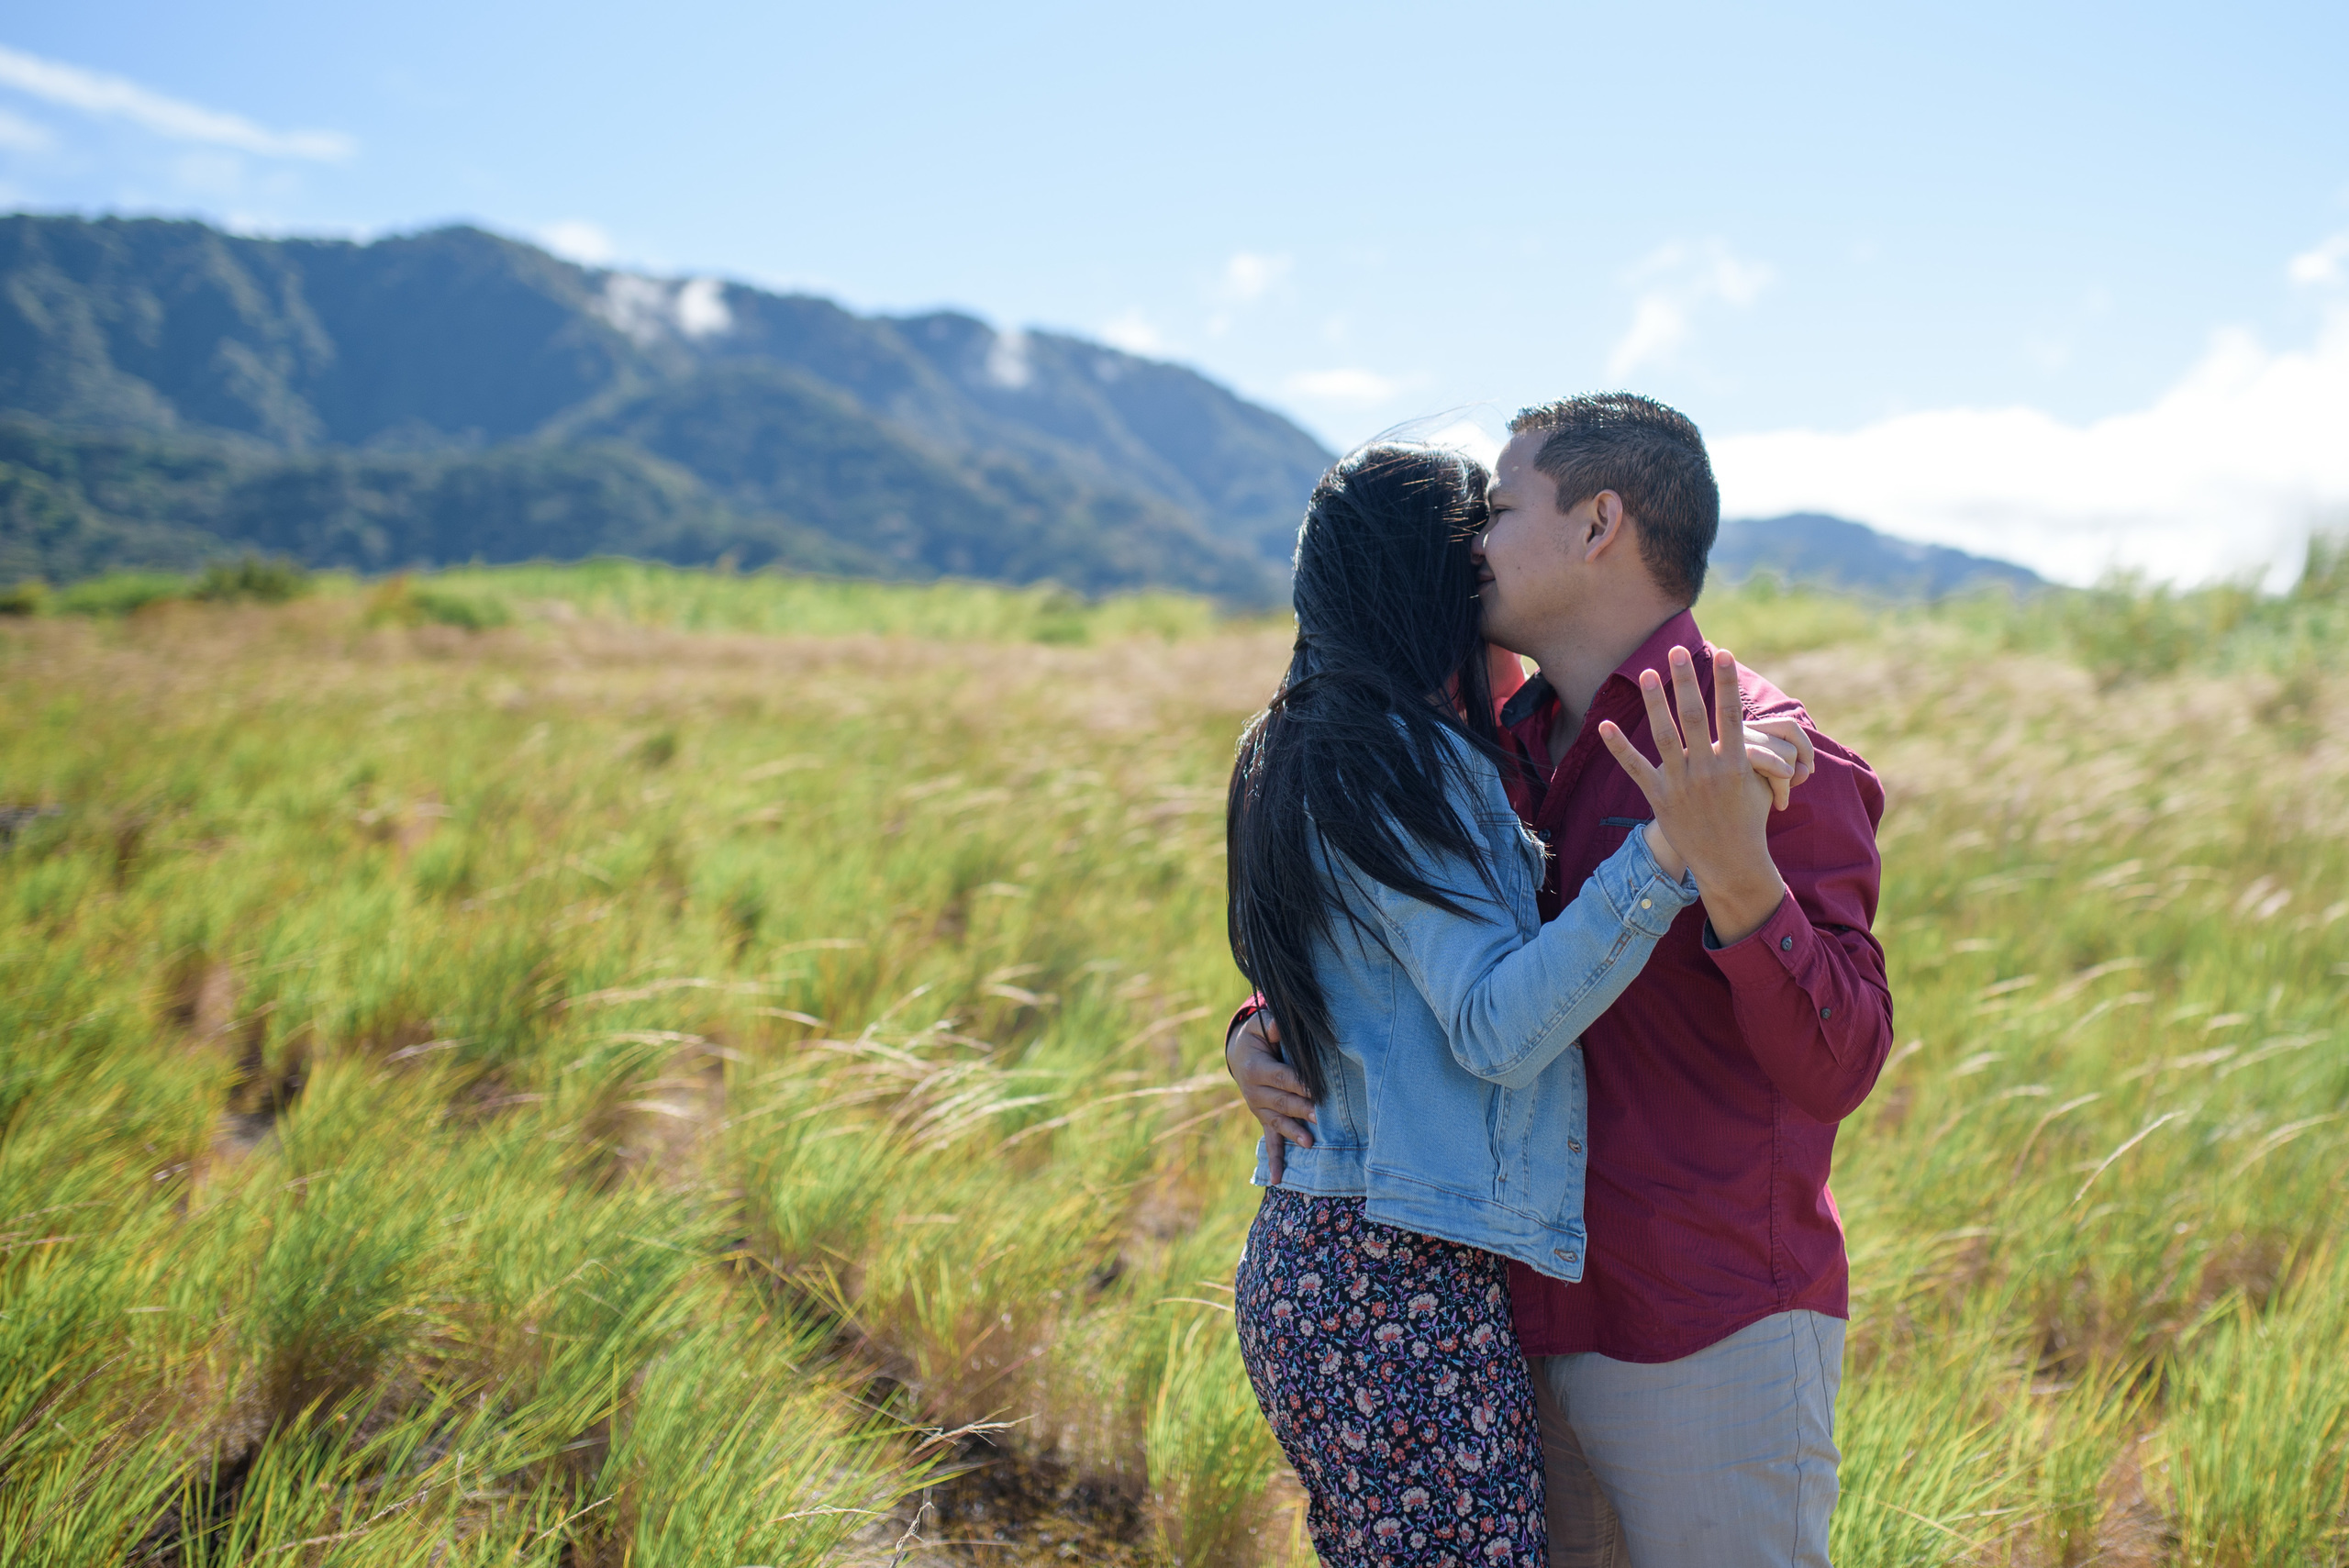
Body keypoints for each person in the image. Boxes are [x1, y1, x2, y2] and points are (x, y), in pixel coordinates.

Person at [1230, 395, 1891, 1568]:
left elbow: (1839, 1061)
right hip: (1511, 1307)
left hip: (1700, 1318)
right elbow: (1401, 951)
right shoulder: (1492, 750)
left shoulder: (1763, 756)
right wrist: (1266, 1027)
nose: (1472, 542)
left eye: (1495, 509)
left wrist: (1737, 871)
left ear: (1597, 525)